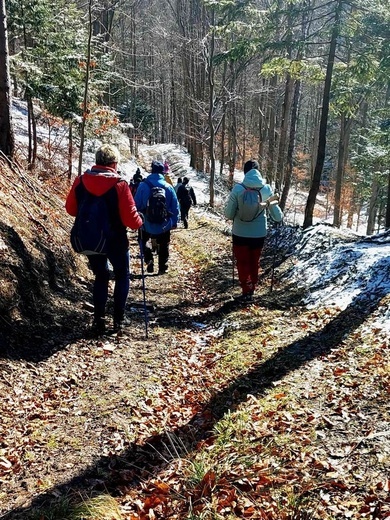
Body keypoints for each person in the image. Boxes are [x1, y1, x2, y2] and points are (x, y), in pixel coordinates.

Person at [65, 144, 143, 334]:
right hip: (116, 240)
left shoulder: (81, 181)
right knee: (122, 275)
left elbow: (71, 209)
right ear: (114, 163)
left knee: (101, 275)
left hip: (90, 239)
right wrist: (140, 221)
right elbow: (131, 220)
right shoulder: (120, 184)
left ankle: (98, 319)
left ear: (97, 161)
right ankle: (118, 320)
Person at [224, 159, 283, 302]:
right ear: (259, 172)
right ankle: (253, 287)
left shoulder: (238, 189)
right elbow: (277, 217)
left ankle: (246, 287)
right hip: (259, 234)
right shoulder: (266, 189)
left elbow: (228, 214)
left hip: (240, 232)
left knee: (242, 261)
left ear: (245, 172)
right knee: (254, 260)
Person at [135, 160, 179, 275]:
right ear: (162, 173)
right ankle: (162, 267)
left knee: (142, 240)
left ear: (152, 171)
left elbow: (136, 204)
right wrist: (174, 222)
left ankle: (148, 258)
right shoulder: (168, 187)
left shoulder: (143, 186)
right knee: (164, 244)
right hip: (164, 224)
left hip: (146, 223)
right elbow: (175, 206)